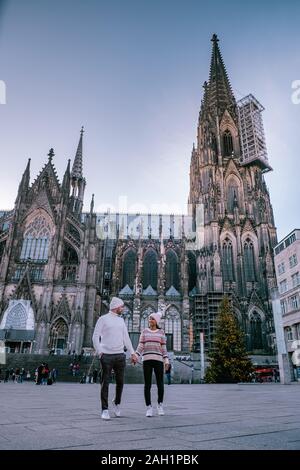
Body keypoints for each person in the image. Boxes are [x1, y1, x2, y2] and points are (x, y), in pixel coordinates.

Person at [92, 297, 136, 420]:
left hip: (120, 355)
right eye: (122, 307)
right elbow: (95, 337)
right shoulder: (103, 319)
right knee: (105, 382)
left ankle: (117, 403)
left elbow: (126, 338)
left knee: (120, 382)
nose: (123, 308)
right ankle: (105, 409)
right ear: (116, 307)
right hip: (106, 355)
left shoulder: (121, 321)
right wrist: (100, 352)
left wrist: (132, 353)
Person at [134, 311, 169, 417]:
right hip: (147, 360)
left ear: (156, 321)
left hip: (158, 360)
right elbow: (141, 345)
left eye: (152, 318)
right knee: (147, 385)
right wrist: (136, 355)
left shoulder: (161, 332)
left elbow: (163, 347)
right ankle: (149, 407)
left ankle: (160, 405)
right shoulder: (144, 331)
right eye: (149, 318)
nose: (150, 320)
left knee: (160, 384)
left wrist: (166, 360)